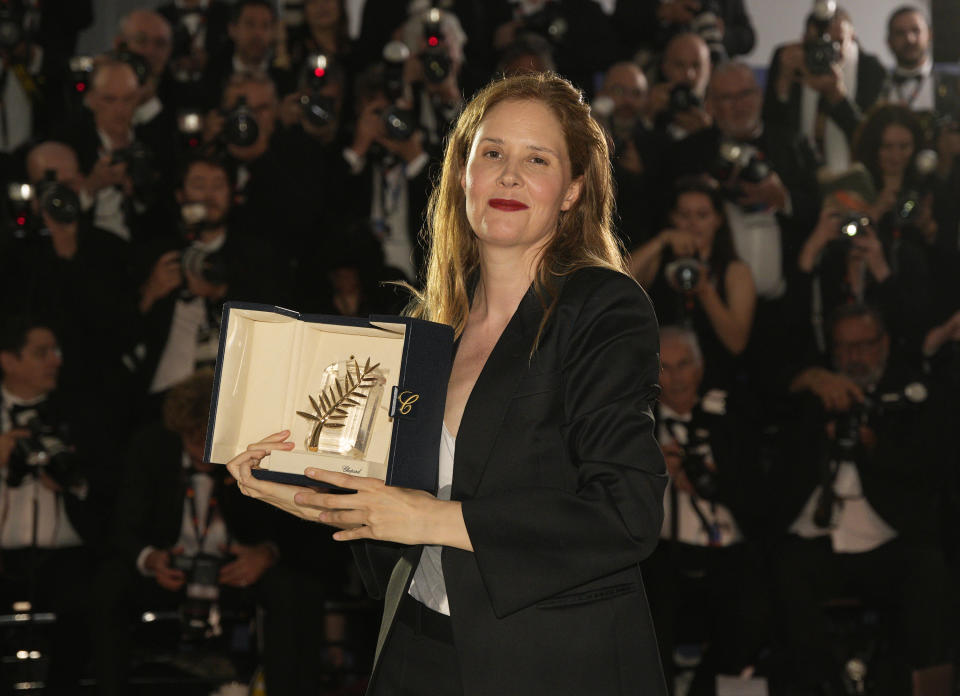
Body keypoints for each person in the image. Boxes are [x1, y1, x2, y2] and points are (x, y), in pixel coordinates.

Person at [226, 72, 668, 695]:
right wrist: (291, 490)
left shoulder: (601, 307)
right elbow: (393, 510)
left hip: (550, 664)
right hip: (418, 646)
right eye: (492, 154)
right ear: (464, 175)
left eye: (536, 159)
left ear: (572, 190)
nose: (509, 175)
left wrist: (432, 520)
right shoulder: (427, 332)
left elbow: (627, 513)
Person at [772, 304, 954, 694]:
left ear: (884, 343)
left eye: (865, 345)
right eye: (844, 347)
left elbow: (930, 466)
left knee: (929, 571)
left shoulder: (911, 392)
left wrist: (875, 446)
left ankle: (925, 686)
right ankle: (819, 686)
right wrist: (811, 391)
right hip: (817, 539)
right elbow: (762, 399)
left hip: (887, 538)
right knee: (782, 572)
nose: (855, 356)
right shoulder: (811, 393)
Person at [643, 326, 768, 695]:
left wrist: (712, 477)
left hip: (728, 551)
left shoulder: (733, 422)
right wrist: (654, 472)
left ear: (700, 369)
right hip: (662, 553)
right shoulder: (634, 428)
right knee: (652, 607)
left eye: (684, 365)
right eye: (664, 367)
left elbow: (762, 503)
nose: (676, 377)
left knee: (755, 610)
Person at [631, 177, 756, 391]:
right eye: (684, 215)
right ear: (672, 218)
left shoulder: (736, 271)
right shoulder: (659, 260)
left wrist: (705, 289)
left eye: (702, 215)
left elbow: (737, 343)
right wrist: (661, 241)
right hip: (659, 382)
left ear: (718, 219)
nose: (692, 224)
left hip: (716, 382)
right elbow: (615, 281)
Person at [763, 6, 886, 173]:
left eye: (838, 42)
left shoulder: (872, 70)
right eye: (817, 43)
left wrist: (837, 97)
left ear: (852, 37)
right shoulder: (790, 62)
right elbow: (773, 132)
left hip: (854, 179)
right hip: (801, 179)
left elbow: (873, 143)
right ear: (804, 39)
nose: (827, 51)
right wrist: (783, 83)